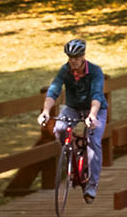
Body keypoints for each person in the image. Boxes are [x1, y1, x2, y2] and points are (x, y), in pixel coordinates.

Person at [37, 38, 106, 203]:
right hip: (73, 107)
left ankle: (91, 185)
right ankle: (72, 153)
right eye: (70, 58)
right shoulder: (65, 70)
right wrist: (46, 111)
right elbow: (53, 90)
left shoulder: (95, 71)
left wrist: (93, 115)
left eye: (76, 58)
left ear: (83, 57)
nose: (73, 61)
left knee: (93, 141)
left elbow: (97, 94)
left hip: (95, 109)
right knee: (59, 128)